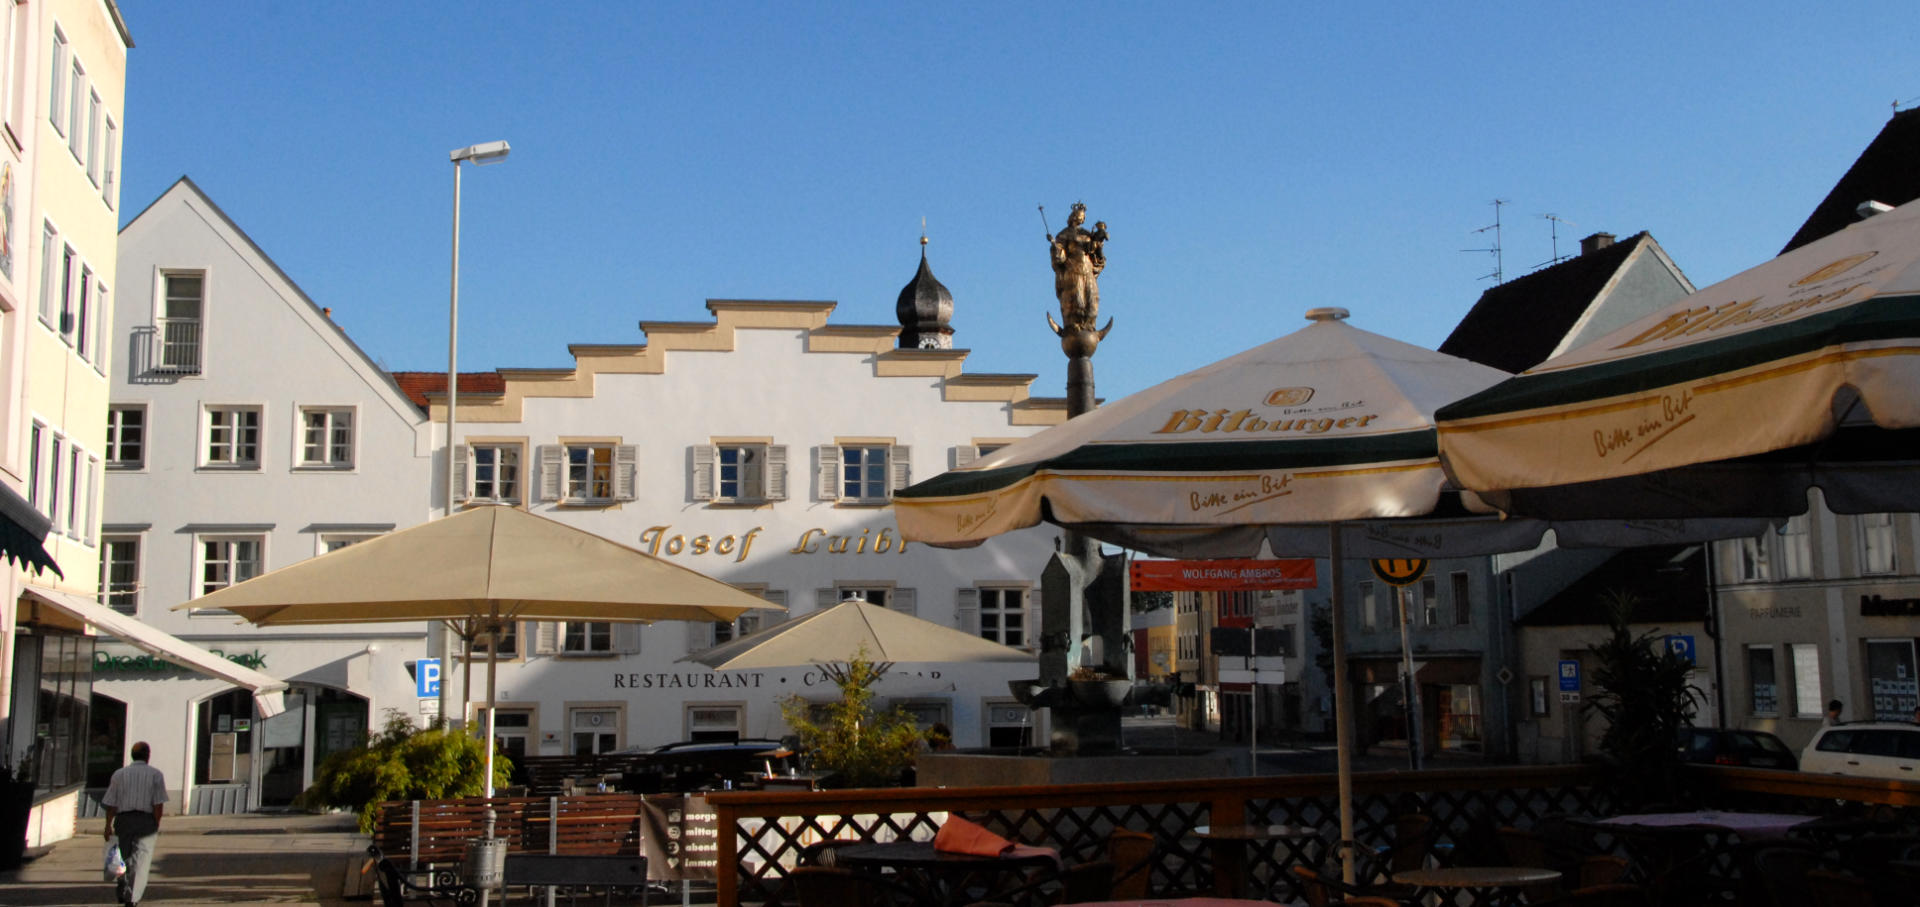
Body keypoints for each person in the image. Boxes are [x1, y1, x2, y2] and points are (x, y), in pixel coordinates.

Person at [101, 741, 167, 907]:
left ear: (132, 755)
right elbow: (158, 804)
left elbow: (111, 803)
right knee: (141, 860)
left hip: (123, 820)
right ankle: (132, 898)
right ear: (148, 756)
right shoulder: (155, 774)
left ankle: (123, 886)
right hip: (146, 820)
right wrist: (156, 823)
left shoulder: (119, 774)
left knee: (123, 856)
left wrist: (108, 825)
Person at [1048, 202, 1108, 333]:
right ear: (1073, 217)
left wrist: (1097, 247)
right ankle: (1073, 326)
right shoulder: (1064, 234)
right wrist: (1055, 247)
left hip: (1087, 269)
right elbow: (1059, 255)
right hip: (1073, 270)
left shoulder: (1087, 234)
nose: (1081, 219)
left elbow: (1096, 256)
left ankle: (1089, 325)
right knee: (1076, 299)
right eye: (1079, 216)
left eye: (1083, 217)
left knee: (1092, 298)